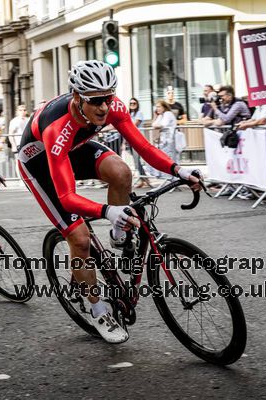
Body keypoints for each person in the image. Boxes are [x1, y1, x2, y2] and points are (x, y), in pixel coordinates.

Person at [17, 60, 200, 343]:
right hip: (41, 163)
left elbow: (144, 147)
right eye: (96, 100)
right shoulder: (57, 126)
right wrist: (107, 211)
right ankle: (98, 309)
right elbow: (66, 197)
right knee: (79, 239)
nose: (104, 106)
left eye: (109, 97)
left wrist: (179, 170)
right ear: (77, 98)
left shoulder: (113, 107)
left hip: (75, 148)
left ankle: (118, 237)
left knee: (121, 171)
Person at [127, 98, 150, 188]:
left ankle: (145, 179)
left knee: (137, 160)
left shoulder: (139, 113)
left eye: (134, 103)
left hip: (137, 139)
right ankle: (143, 179)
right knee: (136, 162)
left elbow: (133, 125)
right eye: (131, 103)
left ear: (137, 104)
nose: (132, 104)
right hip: (130, 139)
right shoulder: (130, 114)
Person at [151, 99, 179, 168]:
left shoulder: (168, 113)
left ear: (164, 107)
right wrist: (155, 116)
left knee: (171, 158)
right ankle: (170, 176)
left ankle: (174, 176)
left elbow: (163, 124)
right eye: (156, 107)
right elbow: (154, 124)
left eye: (159, 107)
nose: (157, 109)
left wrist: (156, 125)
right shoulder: (161, 115)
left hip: (170, 140)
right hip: (164, 141)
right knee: (166, 158)